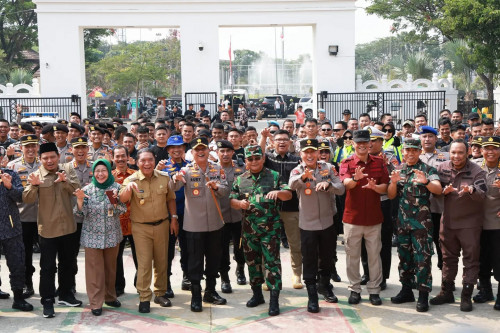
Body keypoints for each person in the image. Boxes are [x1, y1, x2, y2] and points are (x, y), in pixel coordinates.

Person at [229, 145, 292, 316]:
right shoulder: (240, 179)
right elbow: (232, 200)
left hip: (270, 230)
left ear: (263, 159)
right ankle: (257, 295)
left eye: (257, 158)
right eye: (250, 159)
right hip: (249, 230)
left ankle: (274, 300)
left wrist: (279, 192)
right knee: (252, 263)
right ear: (246, 161)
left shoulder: (274, 176)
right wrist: (239, 204)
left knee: (272, 264)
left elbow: (289, 194)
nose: (254, 161)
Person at [23, 142, 82, 318]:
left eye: (52, 157)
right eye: (45, 158)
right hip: (47, 229)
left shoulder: (67, 170)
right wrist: (34, 185)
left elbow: (77, 190)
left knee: (68, 264)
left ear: (58, 156)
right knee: (47, 267)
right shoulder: (36, 175)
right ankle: (47, 301)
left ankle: (65, 294)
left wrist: (65, 181)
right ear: (40, 159)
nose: (49, 161)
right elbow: (27, 199)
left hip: (68, 227)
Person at [170, 137, 229, 312]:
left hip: (215, 224)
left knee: (213, 260)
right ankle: (196, 295)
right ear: (192, 153)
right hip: (194, 225)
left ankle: (210, 291)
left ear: (208, 151)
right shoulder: (186, 170)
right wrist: (175, 178)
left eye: (203, 148)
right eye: (197, 149)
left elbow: (226, 190)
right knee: (195, 262)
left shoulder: (218, 169)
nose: (201, 152)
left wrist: (217, 187)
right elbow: (173, 188)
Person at [119, 148, 178, 313]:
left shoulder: (164, 177)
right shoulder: (132, 180)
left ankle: (160, 293)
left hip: (162, 225)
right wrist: (129, 188)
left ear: (154, 160)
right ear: (137, 163)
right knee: (144, 264)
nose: (147, 163)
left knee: (162, 261)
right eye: (143, 160)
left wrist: (174, 218)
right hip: (141, 227)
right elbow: (122, 199)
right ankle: (144, 297)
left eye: (150, 160)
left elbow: (171, 199)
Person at [289, 139, 345, 313]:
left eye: (313, 151)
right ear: (301, 154)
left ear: (318, 153)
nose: (310, 155)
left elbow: (341, 188)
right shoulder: (297, 170)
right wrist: (302, 177)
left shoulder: (327, 168)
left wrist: (329, 184)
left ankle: (324, 285)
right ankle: (312, 294)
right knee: (310, 259)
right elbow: (291, 185)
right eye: (306, 152)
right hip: (308, 224)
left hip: (327, 221)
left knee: (327, 257)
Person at [431, 140, 487, 312]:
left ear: (468, 152)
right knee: (447, 258)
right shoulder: (442, 168)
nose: (456, 156)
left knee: (470, 260)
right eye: (453, 153)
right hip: (447, 222)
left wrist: (471, 190)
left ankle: (466, 295)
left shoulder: (477, 171)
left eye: (460, 153)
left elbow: (482, 194)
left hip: (469, 224)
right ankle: (446, 291)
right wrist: (442, 192)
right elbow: (434, 192)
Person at [387, 139, 442, 312]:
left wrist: (426, 182)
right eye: (407, 150)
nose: (410, 153)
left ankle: (423, 294)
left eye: (414, 150)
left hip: (421, 224)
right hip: (403, 222)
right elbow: (390, 196)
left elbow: (438, 189)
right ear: (403, 151)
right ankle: (406, 290)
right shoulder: (399, 170)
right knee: (404, 257)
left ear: (419, 152)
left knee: (422, 258)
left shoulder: (428, 170)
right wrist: (394, 182)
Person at [339, 130, 389, 306]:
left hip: (374, 218)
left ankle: (374, 291)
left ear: (370, 144)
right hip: (352, 219)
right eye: (358, 142)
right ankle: (354, 289)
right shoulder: (346, 163)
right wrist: (355, 178)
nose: (361, 145)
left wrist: (376, 188)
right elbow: (346, 184)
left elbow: (385, 187)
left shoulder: (380, 162)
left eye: (365, 142)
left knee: (375, 256)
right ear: (353, 144)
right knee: (352, 256)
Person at [74, 159, 126, 316]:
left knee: (111, 269)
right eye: (97, 171)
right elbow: (80, 214)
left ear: (109, 172)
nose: (100, 174)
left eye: (104, 170)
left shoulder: (117, 187)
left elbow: (122, 210)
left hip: (112, 234)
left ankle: (110, 297)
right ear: (93, 173)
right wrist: (80, 200)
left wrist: (115, 201)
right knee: (95, 271)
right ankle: (96, 302)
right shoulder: (87, 190)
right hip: (92, 237)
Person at [262, 130, 303, 289]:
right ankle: (269, 276)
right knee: (270, 244)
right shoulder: (268, 158)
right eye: (278, 140)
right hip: (270, 208)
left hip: (292, 208)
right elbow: (259, 154)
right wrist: (264, 138)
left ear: (290, 142)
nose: (282, 142)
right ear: (273, 142)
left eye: (285, 140)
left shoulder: (296, 160)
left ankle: (297, 275)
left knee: (295, 244)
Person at [7, 135, 40, 298]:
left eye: (34, 145)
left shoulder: (45, 165)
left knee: (48, 255)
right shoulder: (12, 166)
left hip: (44, 217)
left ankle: (50, 285)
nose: (31, 149)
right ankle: (28, 284)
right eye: (27, 146)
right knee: (25, 254)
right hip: (23, 217)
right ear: (21, 148)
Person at [0, 161, 34, 312]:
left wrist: (9, 187)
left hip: (11, 228)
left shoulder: (11, 174)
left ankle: (18, 298)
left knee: (17, 264)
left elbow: (21, 197)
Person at [160, 135, 191, 296]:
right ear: (168, 150)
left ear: (184, 148)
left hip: (188, 213)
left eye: (180, 146)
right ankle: (166, 282)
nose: (177, 150)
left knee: (187, 247)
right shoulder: (162, 168)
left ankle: (186, 277)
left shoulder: (190, 166)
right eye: (173, 147)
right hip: (169, 214)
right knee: (168, 250)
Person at [472, 136, 500, 309]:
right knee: (481, 259)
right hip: (477, 223)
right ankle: (485, 290)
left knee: (499, 260)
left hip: (497, 224)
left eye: (494, 148)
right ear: (481, 150)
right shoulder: (475, 168)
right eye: (486, 148)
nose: (490, 152)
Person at [216, 140, 247, 293]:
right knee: (222, 249)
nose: (225, 154)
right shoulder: (213, 169)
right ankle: (224, 278)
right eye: (222, 151)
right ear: (217, 153)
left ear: (233, 152)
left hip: (239, 215)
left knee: (240, 247)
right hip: (219, 216)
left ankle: (240, 270)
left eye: (228, 151)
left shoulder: (241, 168)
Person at [419, 126, 449, 270]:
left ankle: (445, 273)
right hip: (418, 208)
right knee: (421, 242)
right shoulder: (414, 155)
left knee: (441, 241)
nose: (427, 139)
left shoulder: (446, 157)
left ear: (436, 139)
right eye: (424, 136)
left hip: (438, 207)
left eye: (430, 136)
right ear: (420, 139)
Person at [111, 145, 138, 297]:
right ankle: (118, 286)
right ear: (113, 158)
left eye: (123, 156)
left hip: (135, 222)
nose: (120, 159)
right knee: (116, 258)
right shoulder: (108, 176)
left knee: (140, 256)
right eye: (117, 156)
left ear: (128, 157)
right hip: (117, 223)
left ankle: (140, 283)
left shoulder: (136, 175)